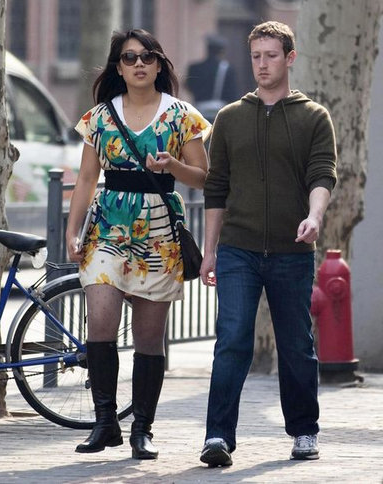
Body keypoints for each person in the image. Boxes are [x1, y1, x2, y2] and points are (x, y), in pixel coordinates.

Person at [66, 29, 209, 460]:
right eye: (129, 58)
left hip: (159, 230)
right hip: (108, 228)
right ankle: (105, 422)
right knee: (101, 321)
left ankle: (142, 429)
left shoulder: (182, 116)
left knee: (149, 337)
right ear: (119, 67)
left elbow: (205, 178)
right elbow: (86, 179)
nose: (139, 64)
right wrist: (74, 230)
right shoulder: (99, 117)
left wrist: (174, 166)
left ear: (160, 64)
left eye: (148, 56)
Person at [199, 21, 337, 467]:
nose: (262, 64)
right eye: (256, 56)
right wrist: (210, 251)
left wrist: (314, 217)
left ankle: (304, 430)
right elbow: (216, 189)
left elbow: (322, 174)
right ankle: (218, 436)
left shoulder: (314, 117)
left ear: (289, 58)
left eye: (271, 56)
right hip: (237, 248)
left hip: (291, 251)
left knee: (295, 344)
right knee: (232, 340)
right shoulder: (229, 117)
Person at [186, 34, 238, 122]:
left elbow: (189, 86)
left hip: (198, 112)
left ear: (208, 49)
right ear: (221, 51)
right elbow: (232, 94)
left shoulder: (194, 68)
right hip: (219, 114)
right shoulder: (227, 69)